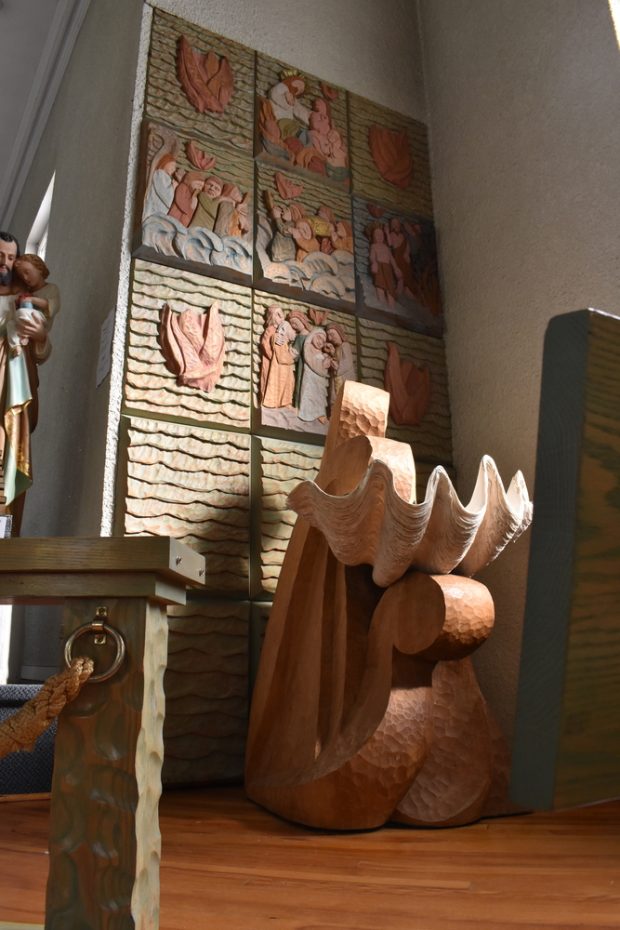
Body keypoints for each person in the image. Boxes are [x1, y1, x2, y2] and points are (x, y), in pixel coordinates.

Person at [0, 240, 58, 531]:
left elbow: (41, 352)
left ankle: (4, 535)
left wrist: (40, 338)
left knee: (10, 457)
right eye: (0, 256)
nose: (5, 263)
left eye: (11, 257)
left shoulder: (25, 298)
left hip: (15, 394)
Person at [298, 329, 331, 422]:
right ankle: (308, 414)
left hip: (319, 380)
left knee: (319, 396)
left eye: (323, 341)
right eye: (319, 338)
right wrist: (322, 365)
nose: (320, 342)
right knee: (310, 395)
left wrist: (326, 359)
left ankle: (319, 414)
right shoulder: (308, 347)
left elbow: (324, 365)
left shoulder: (320, 352)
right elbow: (311, 362)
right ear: (313, 335)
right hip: (311, 378)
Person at [142, 153, 177, 221]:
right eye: (172, 165)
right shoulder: (159, 174)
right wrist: (173, 187)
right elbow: (165, 195)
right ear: (166, 163)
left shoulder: (167, 177)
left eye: (175, 167)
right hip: (154, 209)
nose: (174, 169)